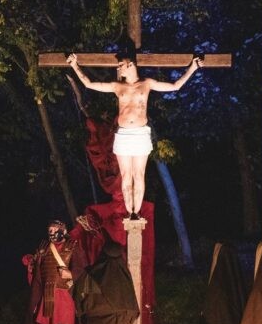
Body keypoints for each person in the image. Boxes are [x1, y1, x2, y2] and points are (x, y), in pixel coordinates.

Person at [66, 47, 202, 219]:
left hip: (140, 134)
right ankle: (129, 212)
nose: (118, 68)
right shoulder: (117, 86)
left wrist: (193, 67)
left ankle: (135, 212)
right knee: (125, 176)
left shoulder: (147, 84)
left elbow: (175, 86)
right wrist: (75, 65)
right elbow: (89, 84)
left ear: (130, 64)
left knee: (138, 175)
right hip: (123, 135)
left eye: (120, 65)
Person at [28, 221, 80, 324]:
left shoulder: (73, 246)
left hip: (65, 293)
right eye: (49, 230)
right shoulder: (43, 249)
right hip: (48, 294)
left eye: (54, 229)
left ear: (63, 231)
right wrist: (31, 264)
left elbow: (81, 269)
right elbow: (38, 274)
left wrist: (71, 274)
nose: (51, 232)